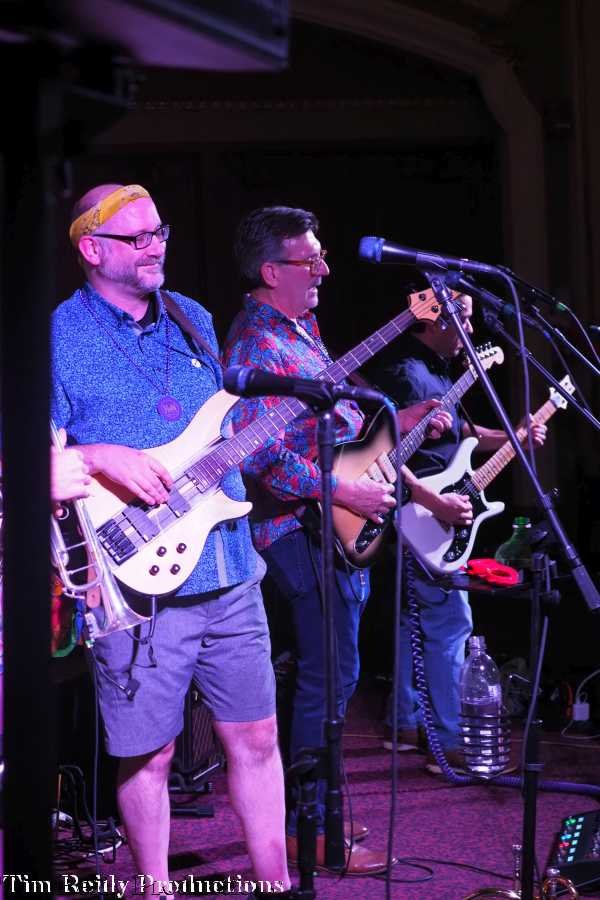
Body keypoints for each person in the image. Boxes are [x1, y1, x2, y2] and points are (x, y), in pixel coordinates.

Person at [51, 184, 292, 898]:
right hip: (134, 579)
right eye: (137, 238)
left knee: (257, 738)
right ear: (91, 249)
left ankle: (275, 884)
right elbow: (28, 454)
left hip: (228, 564)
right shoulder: (57, 336)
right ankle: (155, 888)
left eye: (160, 232)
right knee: (150, 756)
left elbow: (219, 432)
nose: (156, 246)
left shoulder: (192, 317)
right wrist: (97, 455)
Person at [223, 206, 453, 874]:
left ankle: (315, 818)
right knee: (327, 680)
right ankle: (310, 830)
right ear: (273, 272)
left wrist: (400, 418)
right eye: (311, 259)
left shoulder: (302, 332)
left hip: (328, 527)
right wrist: (343, 492)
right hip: (296, 529)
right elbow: (259, 457)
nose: (324, 269)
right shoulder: (256, 346)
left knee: (335, 675)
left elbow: (339, 425)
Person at [368, 293, 547, 773]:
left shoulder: (440, 373)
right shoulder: (406, 373)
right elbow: (382, 449)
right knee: (450, 626)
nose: (470, 331)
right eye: (463, 320)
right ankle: (448, 742)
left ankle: (406, 723)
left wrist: (514, 436)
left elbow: (463, 433)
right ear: (435, 321)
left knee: (413, 623)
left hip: (429, 512)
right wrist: (433, 502)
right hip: (422, 515)